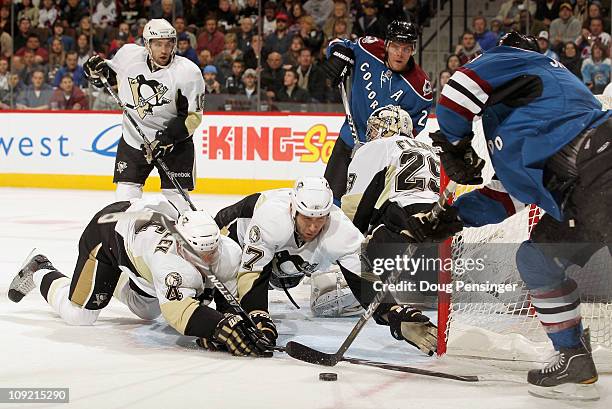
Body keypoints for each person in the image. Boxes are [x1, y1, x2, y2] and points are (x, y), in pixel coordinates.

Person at [432, 31, 612, 400]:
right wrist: (451, 217)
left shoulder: (518, 59)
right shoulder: (526, 113)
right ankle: (573, 357)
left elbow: (457, 90)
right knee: (536, 259)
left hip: (598, 165)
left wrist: (456, 143)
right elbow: (508, 197)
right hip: (579, 192)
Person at [7, 197, 267, 357]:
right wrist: (220, 328)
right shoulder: (167, 263)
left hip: (138, 244)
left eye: (211, 251)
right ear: (180, 245)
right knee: (79, 316)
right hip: (107, 234)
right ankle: (41, 269)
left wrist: (238, 320)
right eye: (198, 252)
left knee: (148, 311)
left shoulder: (228, 250)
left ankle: (119, 279)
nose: (207, 260)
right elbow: (179, 313)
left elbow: (227, 294)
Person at [213, 177, 439, 354]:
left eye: (319, 218)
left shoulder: (339, 229)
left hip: (285, 264)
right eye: (307, 218)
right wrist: (258, 315)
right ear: (294, 209)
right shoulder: (271, 219)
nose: (313, 227)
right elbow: (253, 272)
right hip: (233, 233)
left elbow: (363, 279)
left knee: (292, 271)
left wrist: (393, 314)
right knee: (231, 277)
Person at [83, 19, 206, 213]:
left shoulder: (189, 72)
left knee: (177, 201)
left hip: (174, 144)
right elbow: (105, 75)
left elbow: (192, 117)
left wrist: (167, 139)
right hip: (134, 140)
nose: (164, 50)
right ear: (147, 44)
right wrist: (93, 71)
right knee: (125, 196)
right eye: (158, 44)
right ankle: (127, 239)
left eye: (169, 43)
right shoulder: (128, 56)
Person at [321, 20, 433, 204]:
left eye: (406, 48)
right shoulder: (367, 48)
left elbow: (411, 132)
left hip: (382, 157)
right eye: (396, 46)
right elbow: (338, 44)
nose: (400, 53)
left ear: (413, 50)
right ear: (387, 44)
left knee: (367, 208)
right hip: (349, 139)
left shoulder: (420, 87)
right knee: (330, 200)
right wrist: (337, 55)